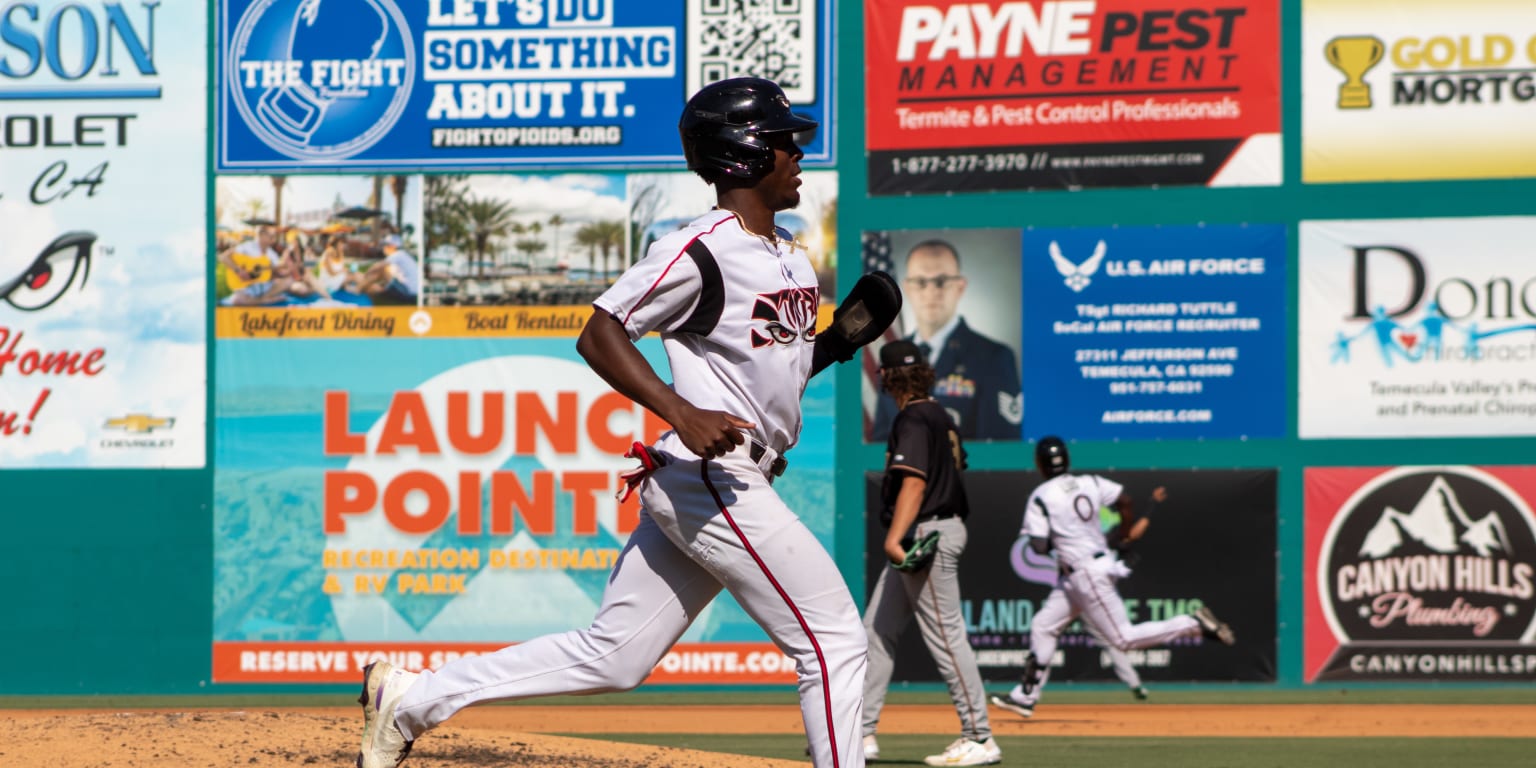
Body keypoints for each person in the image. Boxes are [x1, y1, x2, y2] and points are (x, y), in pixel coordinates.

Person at [356, 77, 891, 768]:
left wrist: (831, 346)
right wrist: (678, 408)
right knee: (835, 639)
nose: (798, 156)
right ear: (745, 154)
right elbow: (600, 332)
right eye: (785, 143)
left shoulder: (790, 252)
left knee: (615, 655)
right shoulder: (702, 247)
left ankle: (409, 699)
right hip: (714, 478)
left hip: (724, 472)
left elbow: (761, 377)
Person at [989, 437, 1234, 719]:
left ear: (1039, 464)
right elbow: (1124, 499)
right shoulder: (1090, 482)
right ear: (1066, 460)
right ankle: (1025, 696)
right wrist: (1125, 534)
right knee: (1043, 625)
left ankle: (1193, 624)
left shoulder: (1041, 496)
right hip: (1078, 575)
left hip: (1085, 573)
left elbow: (1038, 546)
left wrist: (1057, 540)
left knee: (1123, 639)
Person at [861, 340, 1000, 767]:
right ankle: (859, 733)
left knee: (946, 635)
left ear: (885, 377)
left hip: (927, 533)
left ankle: (979, 735)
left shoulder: (914, 417)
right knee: (876, 632)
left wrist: (893, 539)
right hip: (932, 528)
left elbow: (916, 482)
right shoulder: (942, 415)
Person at [870, 240, 1021, 442]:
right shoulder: (892, 358)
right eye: (921, 282)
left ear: (960, 287)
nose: (932, 292)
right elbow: (882, 441)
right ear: (907, 288)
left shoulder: (993, 358)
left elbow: (998, 448)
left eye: (941, 281)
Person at [219, 225, 294, 306]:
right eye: (270, 235)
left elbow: (276, 272)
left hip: (265, 288)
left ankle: (260, 300)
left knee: (289, 280)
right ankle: (263, 301)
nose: (273, 238)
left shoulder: (272, 254)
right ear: (261, 235)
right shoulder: (246, 247)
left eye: (274, 236)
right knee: (237, 300)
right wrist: (238, 270)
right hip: (246, 287)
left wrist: (285, 270)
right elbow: (223, 257)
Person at [352, 234, 420, 305]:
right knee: (374, 287)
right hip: (410, 292)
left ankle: (357, 289)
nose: (384, 248)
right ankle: (363, 292)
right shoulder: (402, 256)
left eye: (386, 245)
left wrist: (366, 274)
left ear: (393, 246)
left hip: (408, 292)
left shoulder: (398, 254)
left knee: (382, 270)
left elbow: (378, 266)